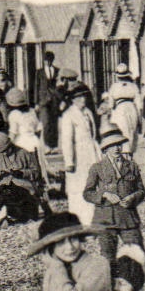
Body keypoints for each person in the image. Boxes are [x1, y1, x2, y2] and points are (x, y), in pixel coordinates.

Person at [85, 125, 145, 261]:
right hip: (105, 220)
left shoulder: (132, 166)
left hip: (128, 218)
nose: (117, 148)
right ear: (105, 149)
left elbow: (142, 190)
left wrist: (133, 197)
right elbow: (87, 193)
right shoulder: (97, 168)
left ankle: (144, 276)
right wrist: (104, 195)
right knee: (108, 258)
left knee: (139, 255)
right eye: (112, 145)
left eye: (119, 144)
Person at [59, 82, 100, 226]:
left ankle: (93, 219)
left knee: (93, 184)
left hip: (91, 153)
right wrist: (69, 161)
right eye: (79, 97)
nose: (83, 99)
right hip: (78, 157)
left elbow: (93, 134)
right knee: (78, 188)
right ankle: (80, 221)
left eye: (84, 96)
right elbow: (67, 141)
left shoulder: (88, 112)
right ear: (73, 100)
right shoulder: (68, 116)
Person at [0, 130, 46, 224]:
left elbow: (36, 172)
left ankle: (15, 214)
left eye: (6, 150)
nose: (4, 154)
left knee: (22, 199)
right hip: (4, 188)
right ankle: (6, 215)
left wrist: (22, 173)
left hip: (23, 187)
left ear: (10, 145)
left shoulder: (23, 153)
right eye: (2, 152)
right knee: (2, 193)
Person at [106, 64, 141, 154]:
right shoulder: (133, 86)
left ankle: (123, 151)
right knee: (132, 131)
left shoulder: (114, 86)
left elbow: (110, 105)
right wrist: (139, 119)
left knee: (121, 132)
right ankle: (130, 152)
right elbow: (139, 104)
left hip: (120, 110)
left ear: (118, 76)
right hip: (132, 108)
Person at [34, 51, 63, 152]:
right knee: (45, 122)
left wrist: (60, 99)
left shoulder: (57, 71)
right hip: (43, 101)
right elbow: (36, 87)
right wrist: (36, 103)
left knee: (54, 123)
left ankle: (54, 146)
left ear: (52, 60)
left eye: (49, 60)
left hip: (54, 100)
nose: (48, 62)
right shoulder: (39, 72)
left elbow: (60, 86)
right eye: (46, 60)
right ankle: (47, 145)